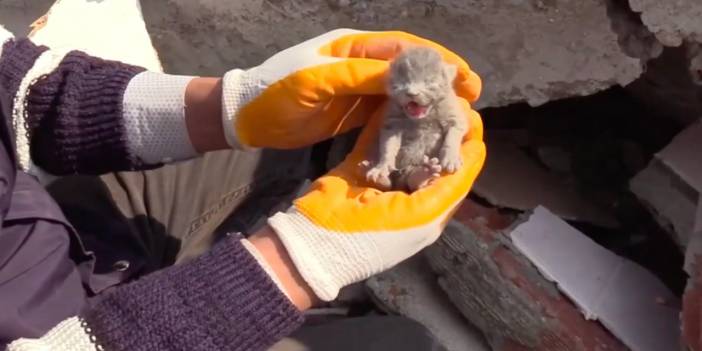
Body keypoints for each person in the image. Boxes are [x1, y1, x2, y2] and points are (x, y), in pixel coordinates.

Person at [0, 23, 485, 351]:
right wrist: (294, 265)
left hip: (36, 237)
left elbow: (13, 82)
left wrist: (222, 109)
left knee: (271, 148)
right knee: (399, 343)